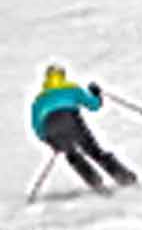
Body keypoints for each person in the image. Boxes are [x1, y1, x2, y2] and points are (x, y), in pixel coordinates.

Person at [31, 65, 136, 195]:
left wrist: (49, 141)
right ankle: (124, 177)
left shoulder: (39, 98)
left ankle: (95, 183)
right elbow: (94, 106)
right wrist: (95, 94)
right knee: (94, 151)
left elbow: (36, 124)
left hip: (50, 127)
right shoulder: (72, 89)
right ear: (63, 75)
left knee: (72, 155)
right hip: (71, 120)